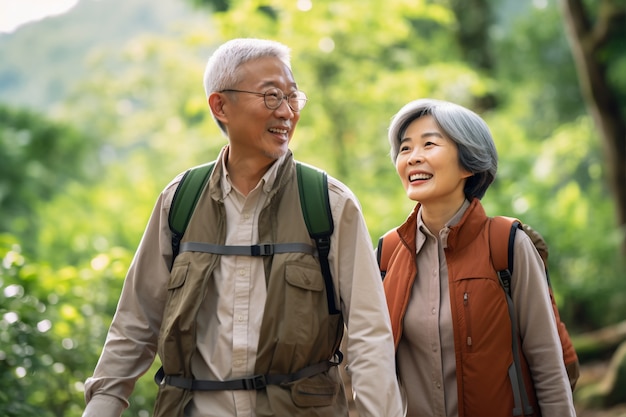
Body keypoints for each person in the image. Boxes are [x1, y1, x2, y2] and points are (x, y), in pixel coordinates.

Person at [81, 38, 404, 417]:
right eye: (271, 96)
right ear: (220, 106)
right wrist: (102, 405)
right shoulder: (180, 201)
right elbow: (135, 324)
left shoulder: (329, 203)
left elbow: (369, 336)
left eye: (292, 97)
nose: (286, 112)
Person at [381, 98, 576, 417]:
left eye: (429, 144)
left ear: (468, 163)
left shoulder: (506, 243)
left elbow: (547, 364)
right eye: (405, 149)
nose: (413, 157)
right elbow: (372, 369)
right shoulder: (388, 252)